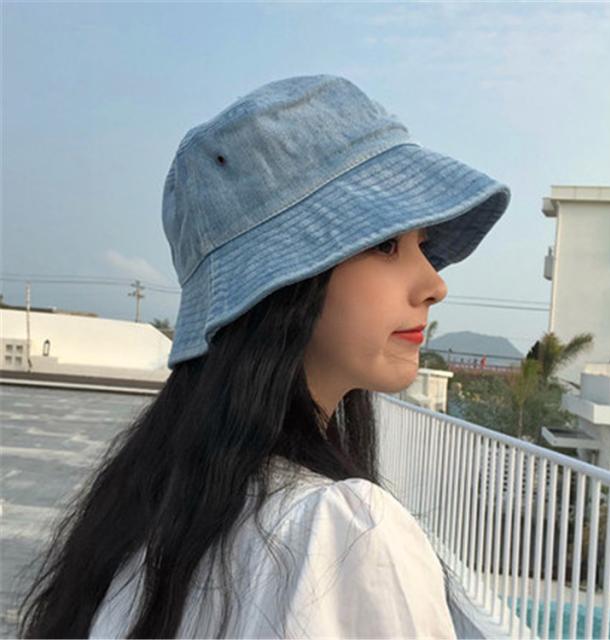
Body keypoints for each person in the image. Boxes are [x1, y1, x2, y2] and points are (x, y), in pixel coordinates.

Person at [16, 74, 511, 639]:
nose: (434, 284)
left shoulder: (142, 511)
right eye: (385, 244)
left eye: (421, 245)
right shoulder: (345, 535)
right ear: (286, 283)